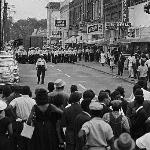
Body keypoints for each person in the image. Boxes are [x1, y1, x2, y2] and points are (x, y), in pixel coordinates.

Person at [9, 86, 36, 150]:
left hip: (19, 123)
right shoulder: (33, 101)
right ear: (29, 92)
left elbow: (9, 107)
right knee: (28, 141)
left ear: (21, 92)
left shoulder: (17, 100)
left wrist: (15, 117)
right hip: (28, 123)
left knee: (20, 141)